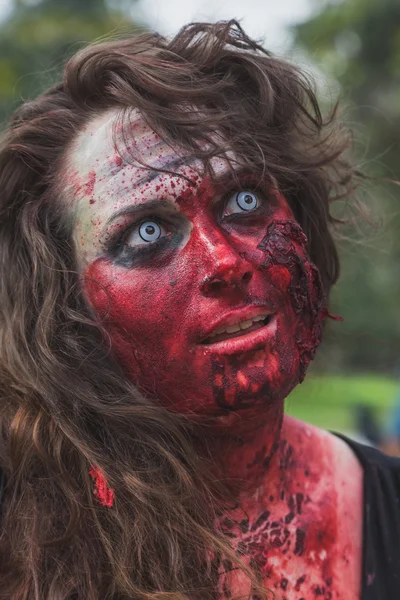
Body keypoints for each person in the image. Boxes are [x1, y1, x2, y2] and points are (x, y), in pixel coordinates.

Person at [0, 20, 398, 600]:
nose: (224, 261)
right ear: (68, 310)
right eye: (148, 232)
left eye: (244, 199)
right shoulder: (21, 538)